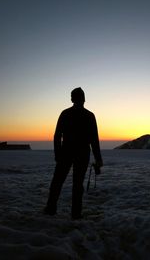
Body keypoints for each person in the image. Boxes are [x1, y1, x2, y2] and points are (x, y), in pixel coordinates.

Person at [44, 87, 103, 219]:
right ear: (83, 99)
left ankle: (51, 208)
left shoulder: (65, 114)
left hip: (66, 153)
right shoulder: (89, 116)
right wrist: (98, 160)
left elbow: (57, 136)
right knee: (76, 184)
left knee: (58, 182)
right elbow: (94, 140)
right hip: (80, 154)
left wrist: (58, 154)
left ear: (72, 99)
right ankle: (75, 214)